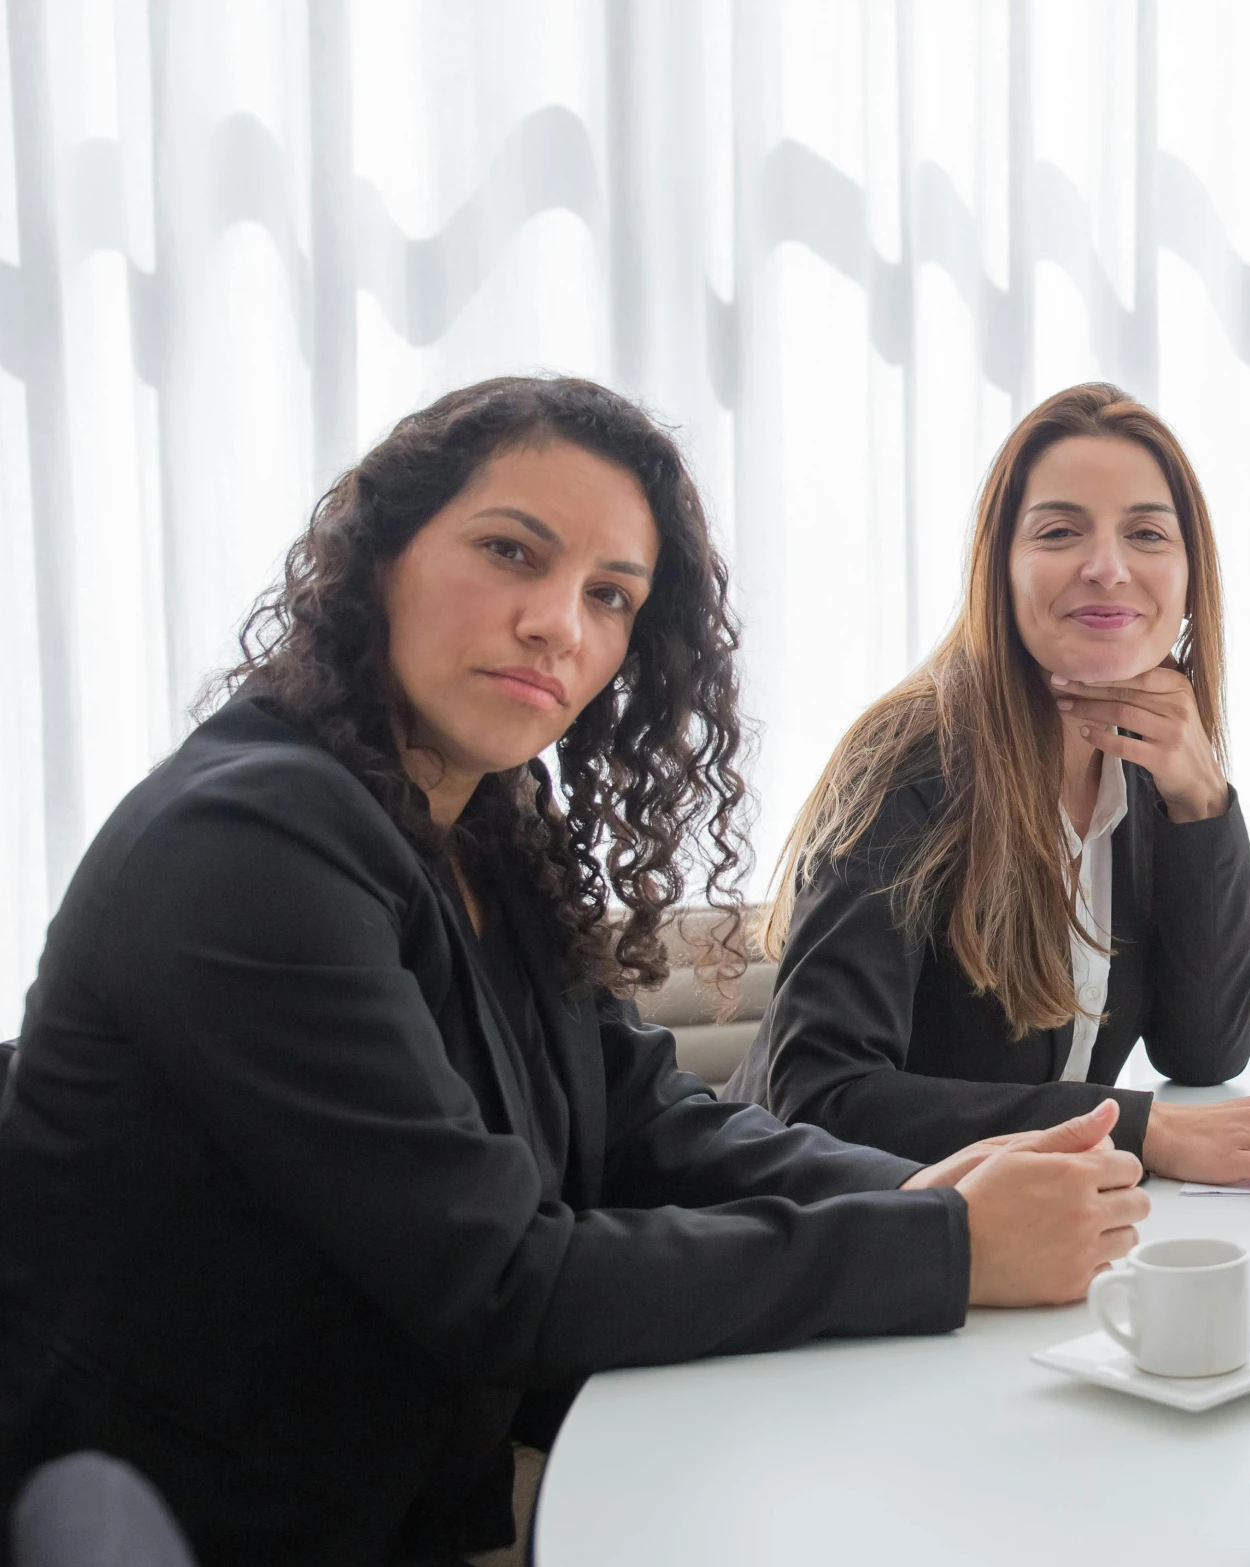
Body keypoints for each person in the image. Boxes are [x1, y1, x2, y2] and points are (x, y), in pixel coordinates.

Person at [0, 377, 1146, 1565]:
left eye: (611, 597)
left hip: (399, 1492)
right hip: (201, 1526)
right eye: (510, 552)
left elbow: (645, 1120)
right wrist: (945, 1249)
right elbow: (500, 1280)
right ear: (376, 554)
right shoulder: (245, 842)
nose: (560, 623)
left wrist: (915, 1195)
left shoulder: (482, 820)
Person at [727, 383, 1250, 1199]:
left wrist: (1198, 800)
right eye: (1059, 531)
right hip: (821, 1235)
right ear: (999, 571)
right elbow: (819, 1098)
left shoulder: (1148, 768)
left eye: (1146, 532)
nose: (1107, 566)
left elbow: (1205, 1050)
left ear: (1187, 580)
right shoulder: (906, 762)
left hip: (1021, 1231)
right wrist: (1147, 1129)